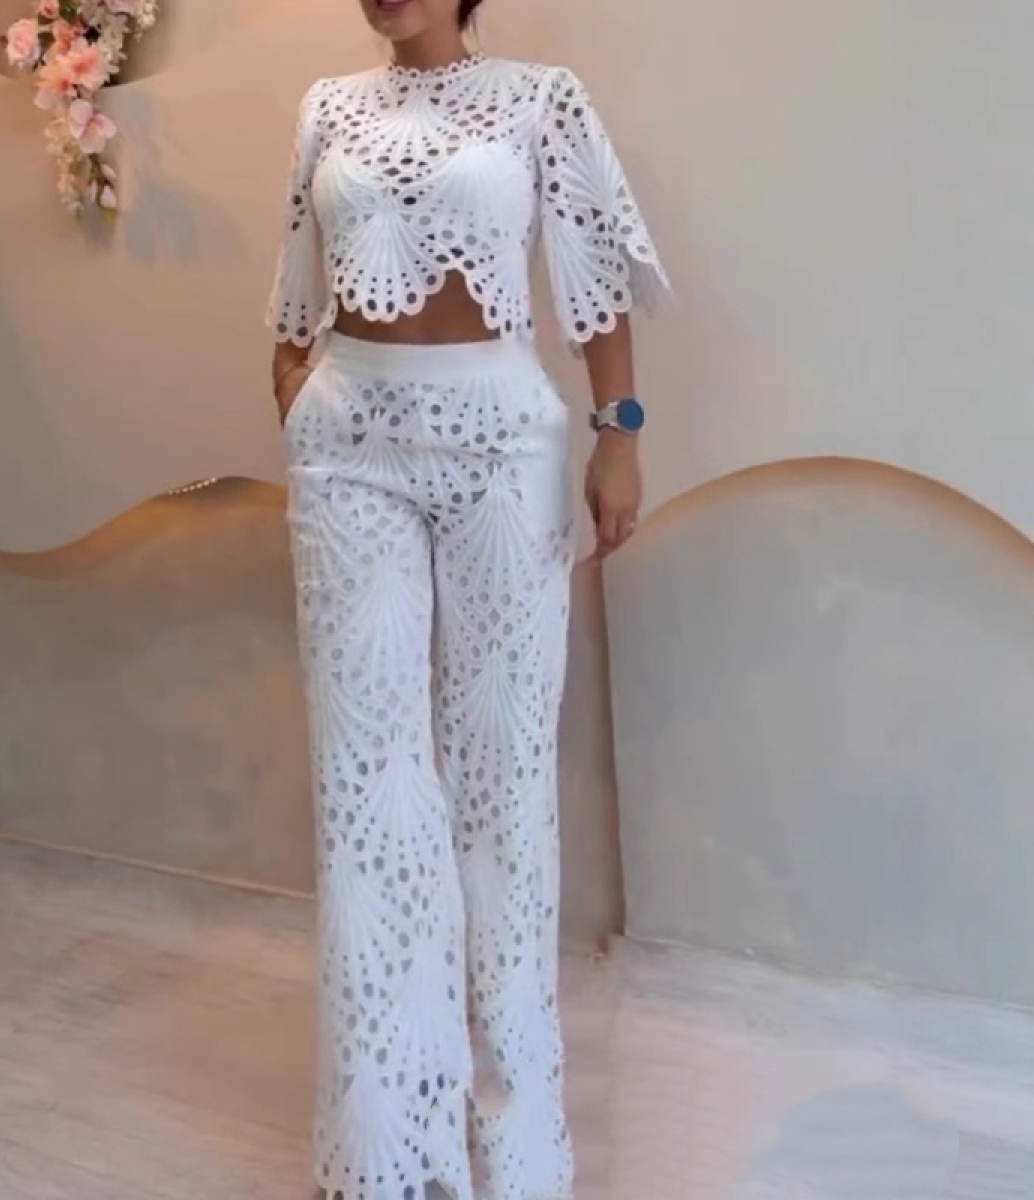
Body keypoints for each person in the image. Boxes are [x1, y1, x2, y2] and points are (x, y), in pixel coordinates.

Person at [266, 2, 668, 1196]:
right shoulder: (328, 107)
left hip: (501, 444)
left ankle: (515, 1137)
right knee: (366, 783)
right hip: (350, 449)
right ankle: (388, 1145)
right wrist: (296, 389)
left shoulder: (541, 96)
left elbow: (594, 278)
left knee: (501, 783)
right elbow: (294, 287)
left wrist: (620, 434)